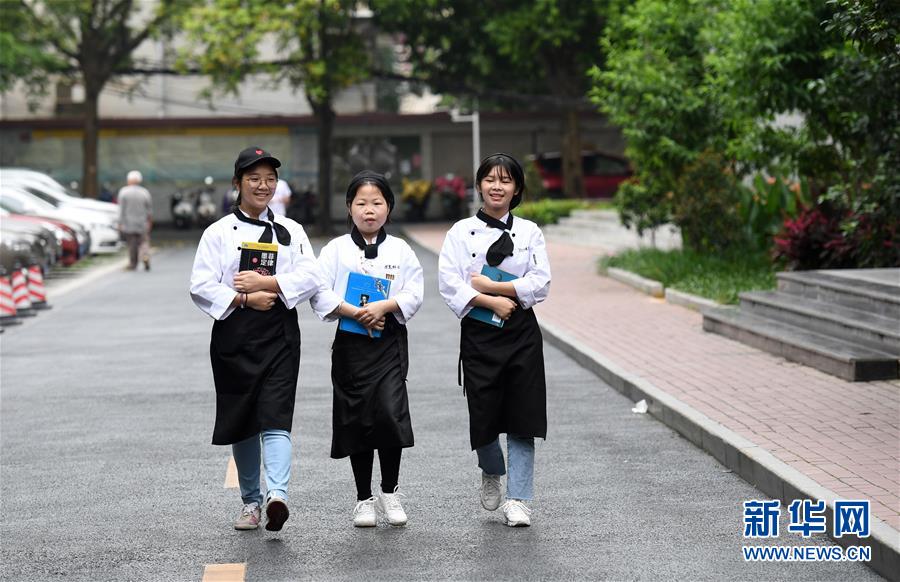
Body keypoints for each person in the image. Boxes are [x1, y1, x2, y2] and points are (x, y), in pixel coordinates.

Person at [189, 146, 321, 532]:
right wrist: (245, 298)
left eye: (269, 179)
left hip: (280, 333)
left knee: (276, 414)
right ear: (237, 184)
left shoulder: (291, 231)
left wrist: (270, 284)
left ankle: (277, 494)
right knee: (242, 419)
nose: (263, 186)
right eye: (254, 179)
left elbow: (311, 276)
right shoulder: (216, 233)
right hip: (235, 334)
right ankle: (250, 502)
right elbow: (199, 285)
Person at [437, 153, 551, 527]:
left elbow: (541, 282)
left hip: (520, 331)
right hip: (480, 330)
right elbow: (450, 283)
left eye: (505, 180)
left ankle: (519, 499)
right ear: (479, 185)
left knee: (523, 414)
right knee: (483, 412)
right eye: (490, 179)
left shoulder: (530, 232)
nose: (497, 186)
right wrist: (490, 301)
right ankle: (491, 469)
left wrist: (496, 287)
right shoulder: (459, 232)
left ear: (517, 188)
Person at [309, 170, 424, 528]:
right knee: (355, 417)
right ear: (349, 207)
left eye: (377, 203)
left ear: (388, 207)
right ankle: (363, 499)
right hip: (350, 344)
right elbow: (319, 291)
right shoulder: (336, 249)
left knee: (390, 413)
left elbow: (414, 292)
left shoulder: (401, 249)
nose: (369, 210)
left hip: (388, 342)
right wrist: (354, 311)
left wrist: (384, 307)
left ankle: (390, 492)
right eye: (361, 203)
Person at [117, 170, 153, 270]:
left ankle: (133, 263)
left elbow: (121, 210)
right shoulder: (144, 192)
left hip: (128, 223)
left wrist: (120, 223)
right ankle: (145, 256)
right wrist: (149, 221)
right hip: (142, 222)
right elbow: (149, 209)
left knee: (132, 244)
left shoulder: (123, 192)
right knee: (144, 241)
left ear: (129, 180)